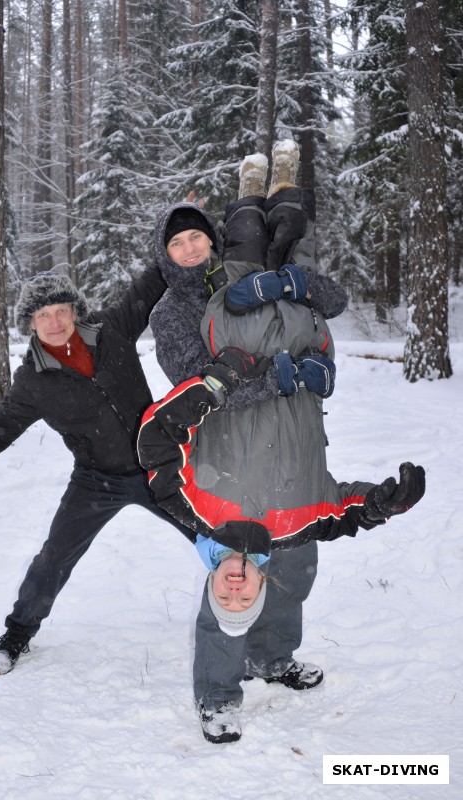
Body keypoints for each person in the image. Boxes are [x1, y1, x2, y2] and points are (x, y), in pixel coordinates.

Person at [143, 141, 426, 743]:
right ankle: (218, 694)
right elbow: (198, 386)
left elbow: (325, 309)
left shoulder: (237, 277)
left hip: (295, 452)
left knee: (295, 568)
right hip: (231, 463)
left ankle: (271, 657)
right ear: (165, 255)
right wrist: (279, 376)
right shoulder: (173, 310)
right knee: (233, 581)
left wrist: (294, 291)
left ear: (214, 242)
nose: (191, 248)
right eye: (178, 242)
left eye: (198, 238)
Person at [0, 267, 198, 676]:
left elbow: (153, 281)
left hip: (159, 468)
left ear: (75, 310)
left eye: (60, 310)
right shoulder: (33, 382)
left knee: (217, 537)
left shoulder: (114, 329)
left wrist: (177, 229)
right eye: (42, 315)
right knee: (54, 557)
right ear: (30, 324)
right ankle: (17, 633)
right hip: (96, 479)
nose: (54, 322)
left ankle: (249, 619)